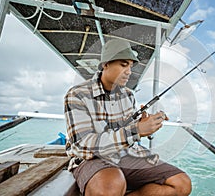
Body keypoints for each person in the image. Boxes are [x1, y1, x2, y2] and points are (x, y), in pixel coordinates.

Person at [64, 39, 192, 196]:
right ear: (105, 64)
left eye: (130, 66)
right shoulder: (77, 94)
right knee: (112, 185)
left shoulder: (129, 95)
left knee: (182, 184)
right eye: (123, 65)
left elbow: (129, 130)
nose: (129, 71)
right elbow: (83, 145)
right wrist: (136, 130)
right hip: (92, 158)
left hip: (128, 154)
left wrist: (143, 125)